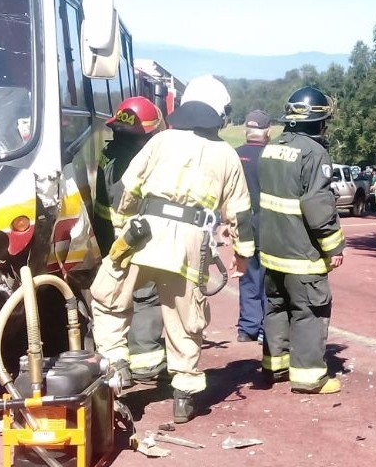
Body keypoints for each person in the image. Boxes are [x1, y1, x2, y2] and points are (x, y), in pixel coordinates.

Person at [107, 75, 253, 423]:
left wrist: (120, 230)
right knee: (186, 319)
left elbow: (127, 190)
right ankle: (184, 395)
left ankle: (115, 364)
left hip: (143, 234)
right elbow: (241, 215)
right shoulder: (226, 155)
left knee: (109, 297)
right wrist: (242, 256)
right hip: (191, 245)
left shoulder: (161, 142)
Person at [258, 86, 345, 395]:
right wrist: (333, 245)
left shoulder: (272, 147)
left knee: (277, 307)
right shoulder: (314, 152)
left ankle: (275, 365)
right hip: (301, 252)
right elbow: (317, 204)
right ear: (318, 121)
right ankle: (309, 378)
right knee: (309, 311)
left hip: (271, 251)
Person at [89, 96, 165, 388]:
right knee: (145, 295)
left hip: (108, 235)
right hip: (133, 236)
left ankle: (115, 362)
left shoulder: (109, 152)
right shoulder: (139, 161)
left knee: (112, 295)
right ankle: (145, 362)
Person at [235, 109, 272, 343]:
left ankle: (247, 328)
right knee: (269, 278)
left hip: (242, 222)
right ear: (268, 131)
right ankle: (265, 328)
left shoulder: (234, 155)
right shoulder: (272, 156)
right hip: (268, 224)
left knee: (248, 275)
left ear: (246, 130)